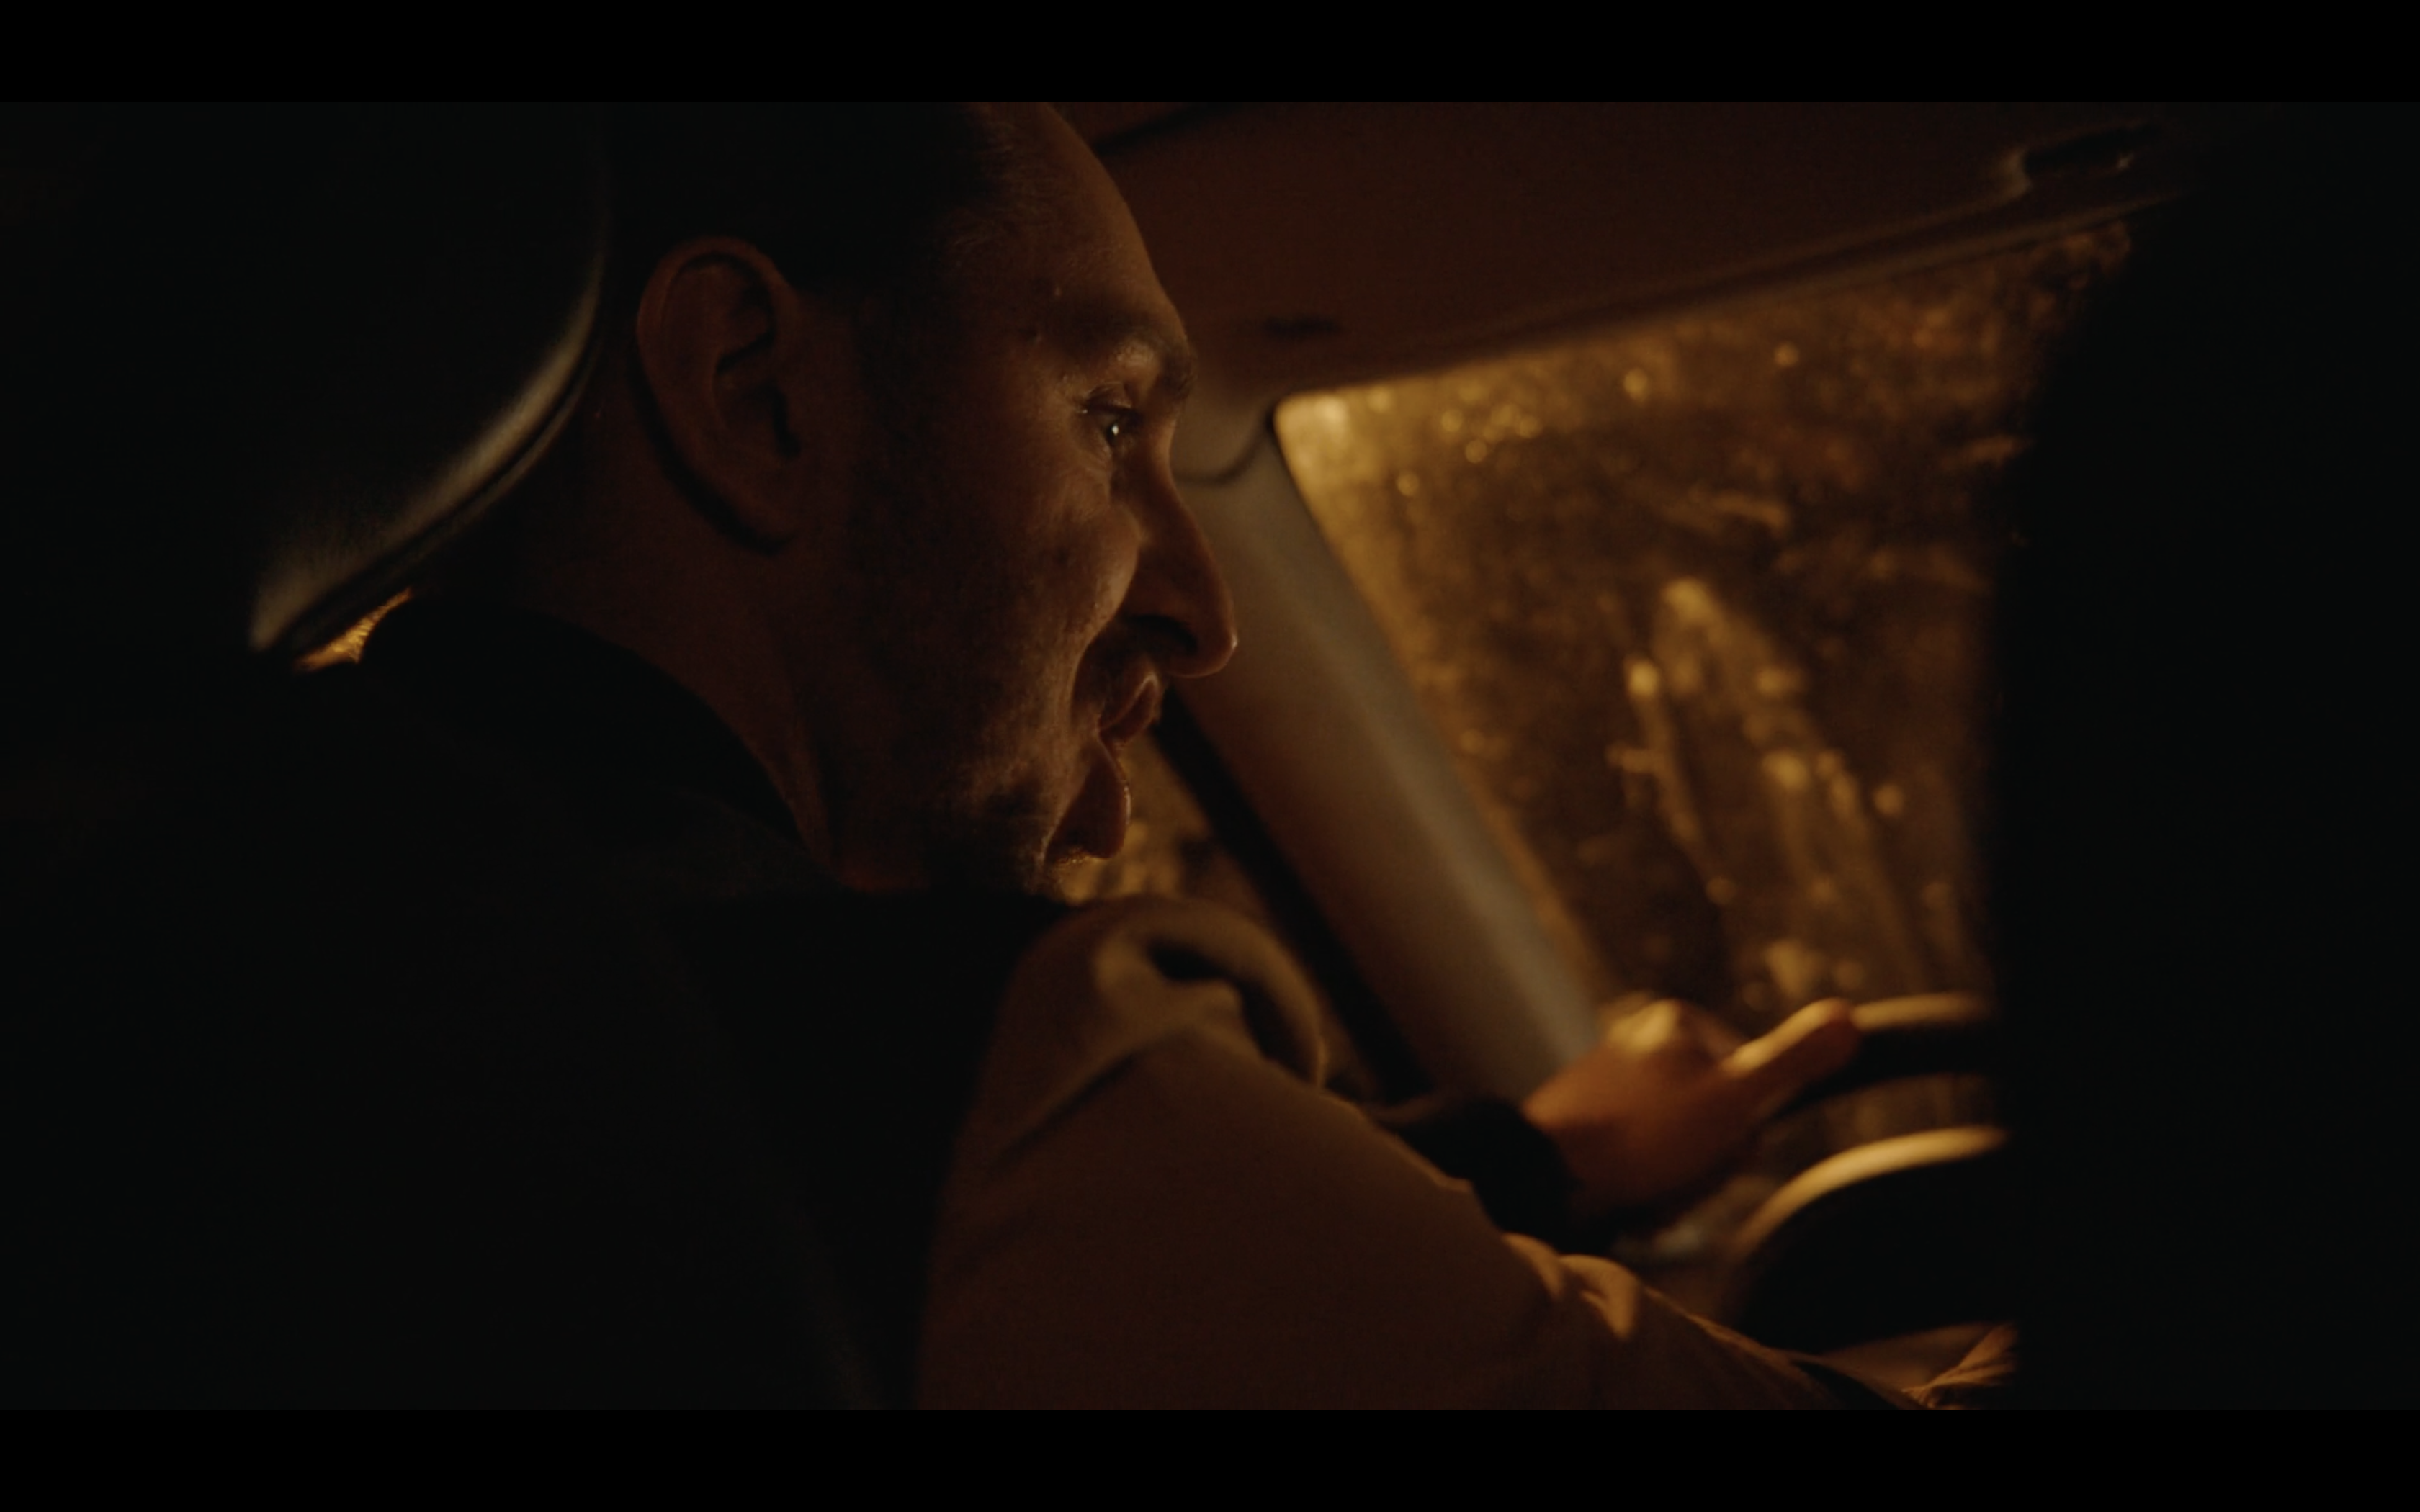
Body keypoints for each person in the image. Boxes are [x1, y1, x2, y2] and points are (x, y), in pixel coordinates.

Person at [2, 104, 1882, 1406]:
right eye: (1110, 417)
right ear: (751, 392)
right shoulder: (993, 1084)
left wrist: (1534, 1155)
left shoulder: (216, 966)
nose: (1205, 611)